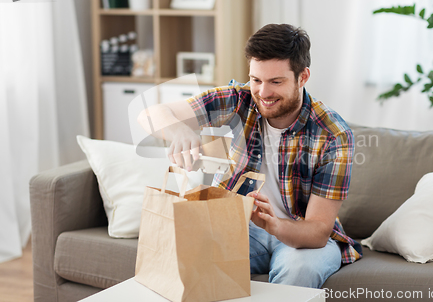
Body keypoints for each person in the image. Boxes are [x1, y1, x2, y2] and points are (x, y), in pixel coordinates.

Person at [138, 23, 362, 289]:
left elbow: (317, 231)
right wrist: (177, 132)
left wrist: (273, 223)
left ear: (303, 77)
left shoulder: (333, 135)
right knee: (181, 250)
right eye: (256, 80)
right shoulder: (240, 99)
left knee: (300, 270)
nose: (263, 93)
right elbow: (150, 113)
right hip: (240, 227)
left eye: (276, 82)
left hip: (299, 237)